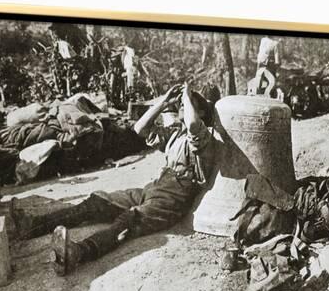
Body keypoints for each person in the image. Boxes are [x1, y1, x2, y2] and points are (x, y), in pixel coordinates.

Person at [11, 83, 217, 275]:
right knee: (97, 203)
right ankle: (33, 226)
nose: (181, 106)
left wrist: (188, 94)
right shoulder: (176, 134)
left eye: (187, 105)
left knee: (128, 220)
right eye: (182, 103)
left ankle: (78, 253)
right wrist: (163, 101)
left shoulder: (203, 138)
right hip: (155, 188)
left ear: (201, 113)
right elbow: (140, 129)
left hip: (173, 199)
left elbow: (192, 124)